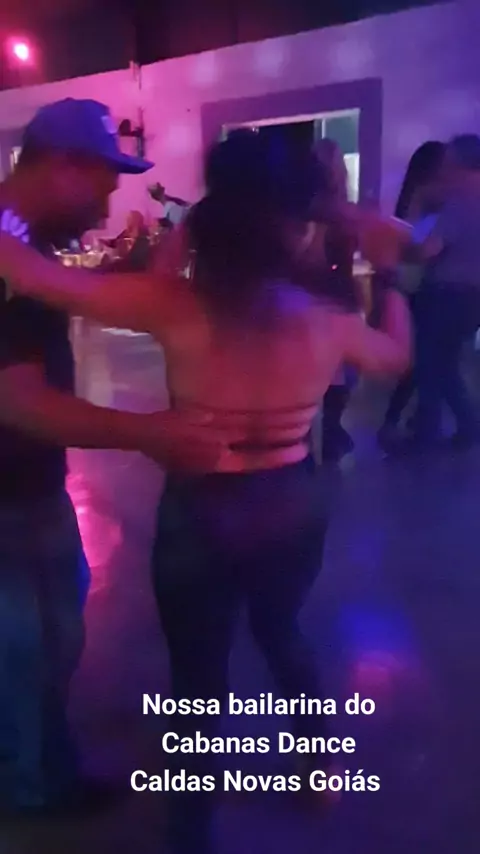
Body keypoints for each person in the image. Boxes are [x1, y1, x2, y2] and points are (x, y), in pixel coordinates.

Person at [0, 131, 411, 853]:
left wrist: (183, 227)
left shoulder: (173, 305)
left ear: (212, 224)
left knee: (198, 672)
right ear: (297, 228)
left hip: (202, 502)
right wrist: (392, 274)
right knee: (283, 633)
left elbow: (33, 276)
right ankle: (314, 771)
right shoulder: (327, 319)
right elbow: (395, 358)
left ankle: (192, 830)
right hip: (288, 496)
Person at [0, 99, 236, 817]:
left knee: (50, 644)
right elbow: (17, 401)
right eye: (102, 185)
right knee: (22, 652)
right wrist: (149, 433)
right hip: (7, 495)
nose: (107, 204)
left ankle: (47, 772)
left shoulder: (23, 246)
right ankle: (27, 792)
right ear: (62, 165)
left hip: (31, 483)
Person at [411, 134, 480, 448]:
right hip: (472, 297)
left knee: (430, 365)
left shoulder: (460, 202)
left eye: (449, 163)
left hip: (445, 295)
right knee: (448, 365)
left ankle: (427, 435)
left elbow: (428, 250)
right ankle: (467, 427)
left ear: (463, 164)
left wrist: (407, 243)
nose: (444, 170)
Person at [377, 141, 446, 448]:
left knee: (424, 360)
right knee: (422, 360)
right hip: (418, 287)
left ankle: (413, 420)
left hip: (412, 285)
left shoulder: (415, 200)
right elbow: (415, 246)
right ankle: (402, 421)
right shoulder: (425, 203)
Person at [313, 138, 359, 462]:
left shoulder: (305, 210)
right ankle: (331, 431)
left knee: (317, 366)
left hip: (313, 292)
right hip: (338, 292)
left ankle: (315, 436)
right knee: (341, 369)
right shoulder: (344, 212)